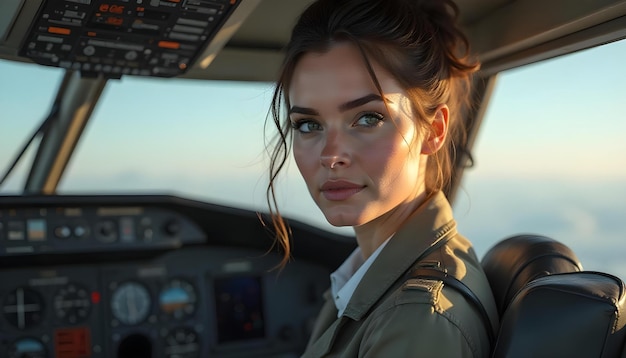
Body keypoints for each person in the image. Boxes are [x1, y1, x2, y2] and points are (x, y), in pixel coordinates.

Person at [265, 0, 499, 356]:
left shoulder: (418, 322)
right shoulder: (367, 276)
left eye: (367, 118)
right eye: (309, 125)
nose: (331, 155)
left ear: (433, 131)